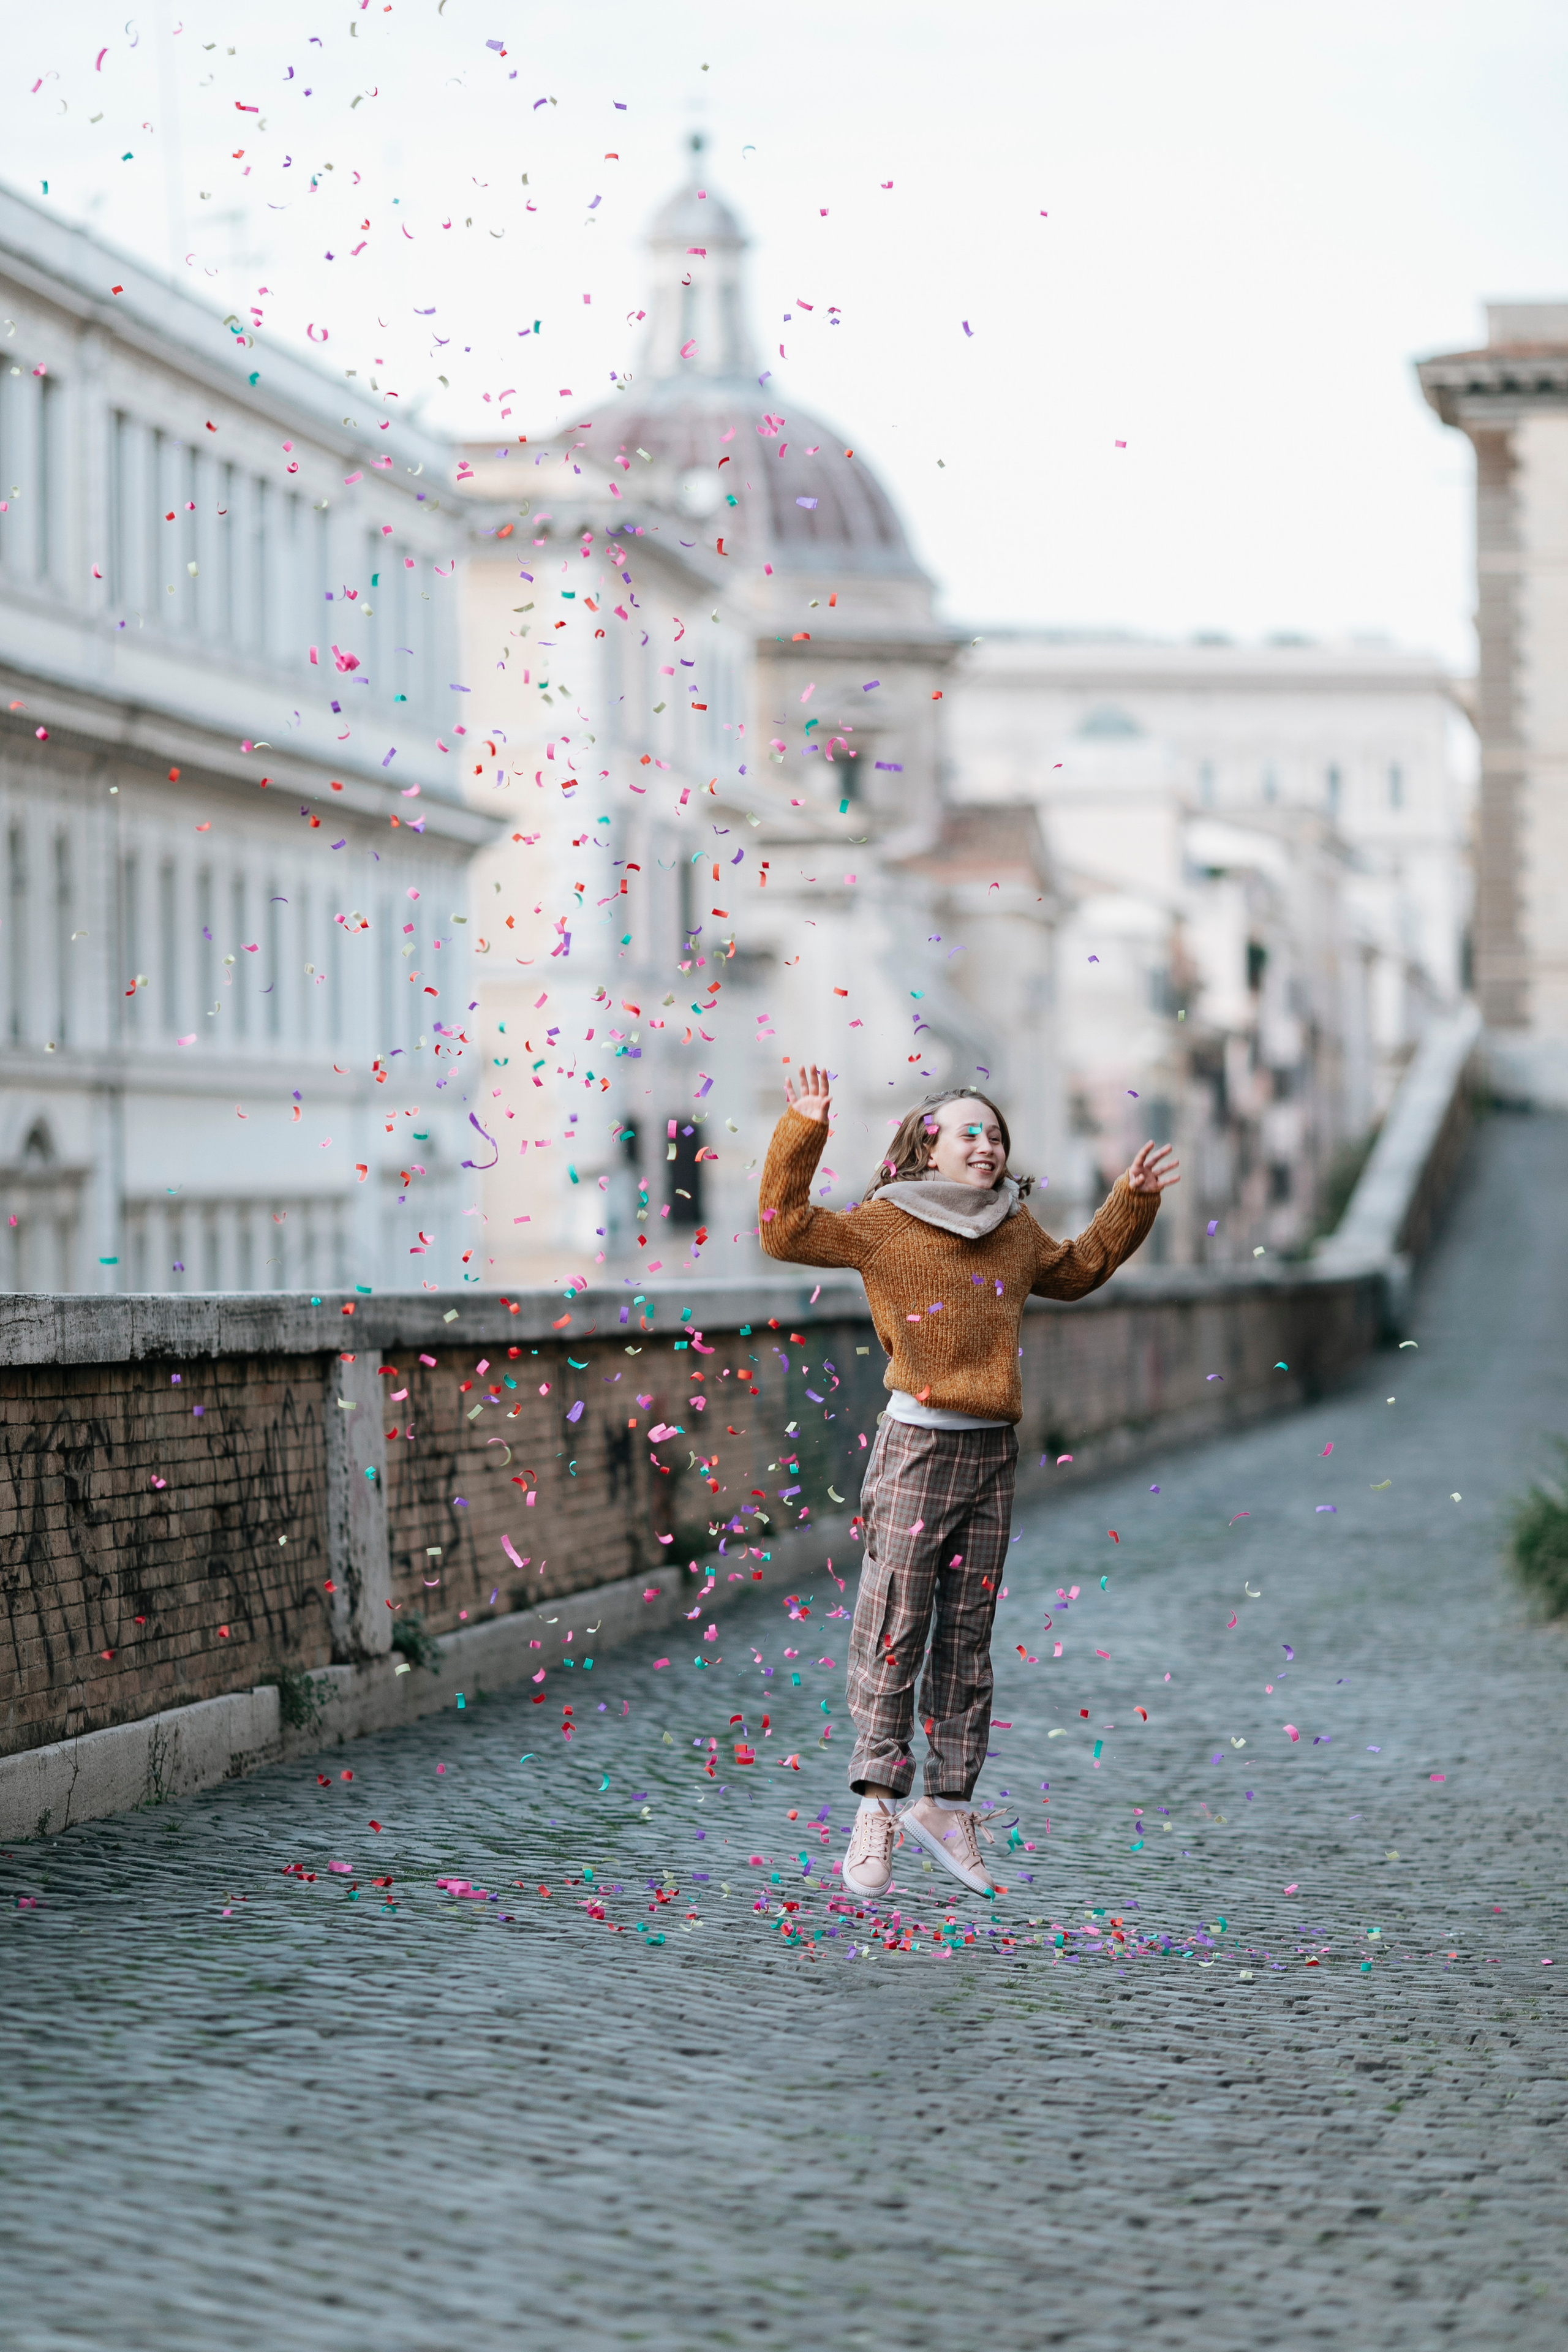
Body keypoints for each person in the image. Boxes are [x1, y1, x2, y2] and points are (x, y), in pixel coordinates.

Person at [758, 1067, 1178, 1901]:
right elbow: (785, 1230)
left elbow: (1078, 1270)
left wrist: (1130, 1200)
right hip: (917, 1445)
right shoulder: (884, 1223)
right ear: (928, 1145)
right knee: (895, 1623)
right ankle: (876, 1805)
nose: (987, 1146)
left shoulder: (1014, 1229)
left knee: (967, 1638)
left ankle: (947, 1805)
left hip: (993, 1454)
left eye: (995, 1135)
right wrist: (803, 1129)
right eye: (969, 1133)